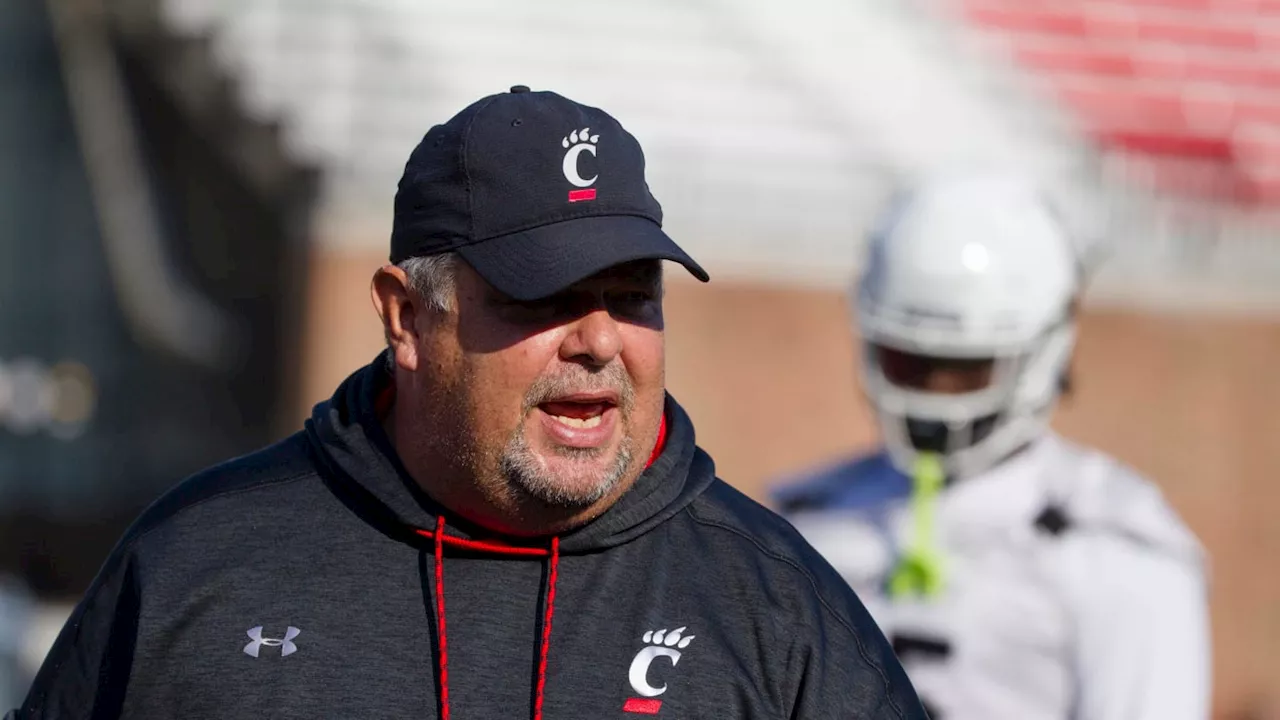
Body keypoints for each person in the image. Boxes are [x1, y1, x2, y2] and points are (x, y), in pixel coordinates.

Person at [11, 86, 925, 719]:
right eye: (545, 296)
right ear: (406, 316)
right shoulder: (197, 566)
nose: (600, 342)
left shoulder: (773, 604)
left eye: (633, 295)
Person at [772, 173, 1211, 720]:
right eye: (912, 363)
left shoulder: (1118, 549)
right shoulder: (799, 527)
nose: (937, 393)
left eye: (967, 371)